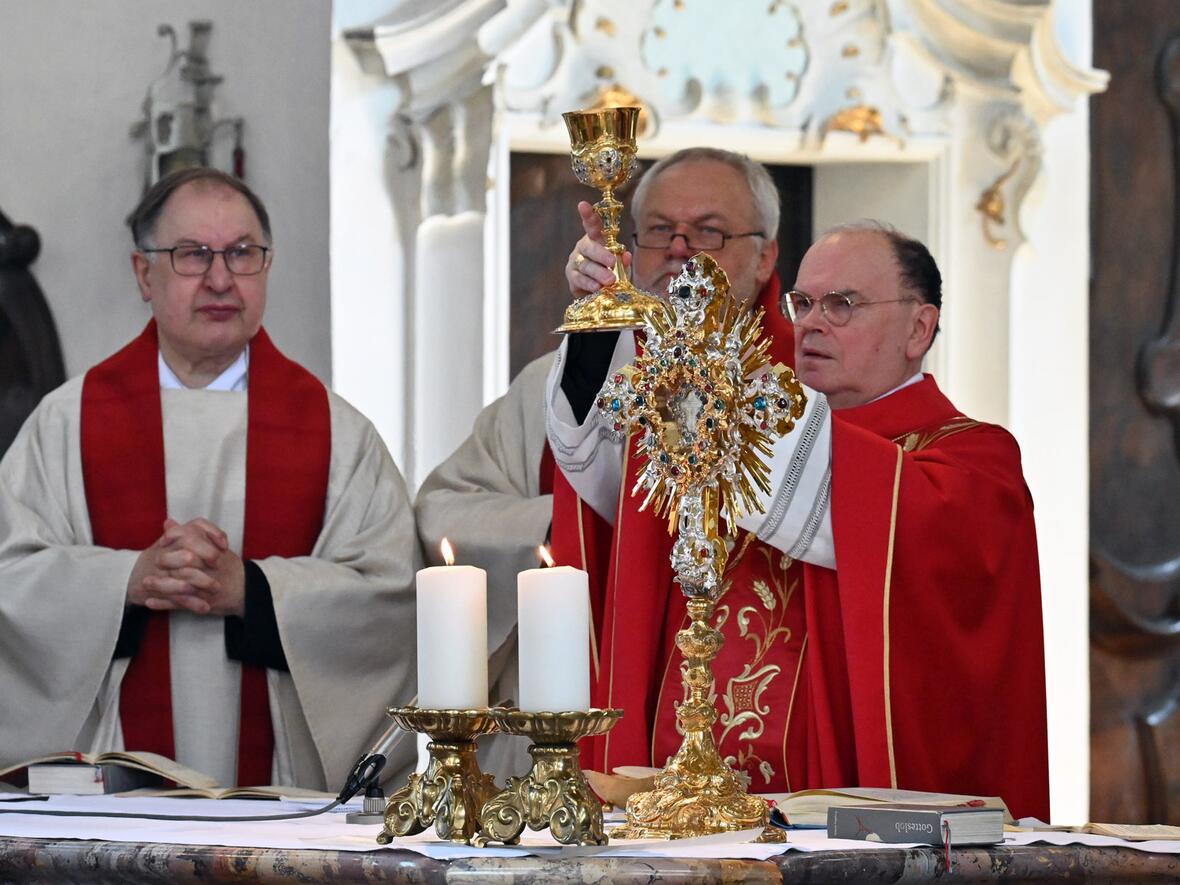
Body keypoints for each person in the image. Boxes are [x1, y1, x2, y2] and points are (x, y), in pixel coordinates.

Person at [554, 219, 1050, 821]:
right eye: (804, 302)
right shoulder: (736, 426)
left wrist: (719, 397)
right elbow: (615, 480)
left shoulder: (968, 460)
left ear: (919, 328)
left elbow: (863, 503)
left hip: (833, 817)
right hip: (684, 810)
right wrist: (601, 322)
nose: (811, 322)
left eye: (842, 305)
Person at [0, 168, 418, 791]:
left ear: (266, 268)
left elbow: (389, 597)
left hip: (283, 794)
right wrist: (127, 581)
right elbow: (11, 579)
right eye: (192, 255)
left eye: (242, 254)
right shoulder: (66, 423)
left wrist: (254, 592)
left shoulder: (337, 432)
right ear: (145, 274)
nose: (220, 278)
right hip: (110, 795)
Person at [415, 147, 790, 774]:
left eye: (709, 232)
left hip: (749, 698)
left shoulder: (800, 383)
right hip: (595, 678)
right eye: (659, 233)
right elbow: (443, 511)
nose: (680, 250)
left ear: (766, 253)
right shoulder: (556, 378)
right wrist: (564, 531)